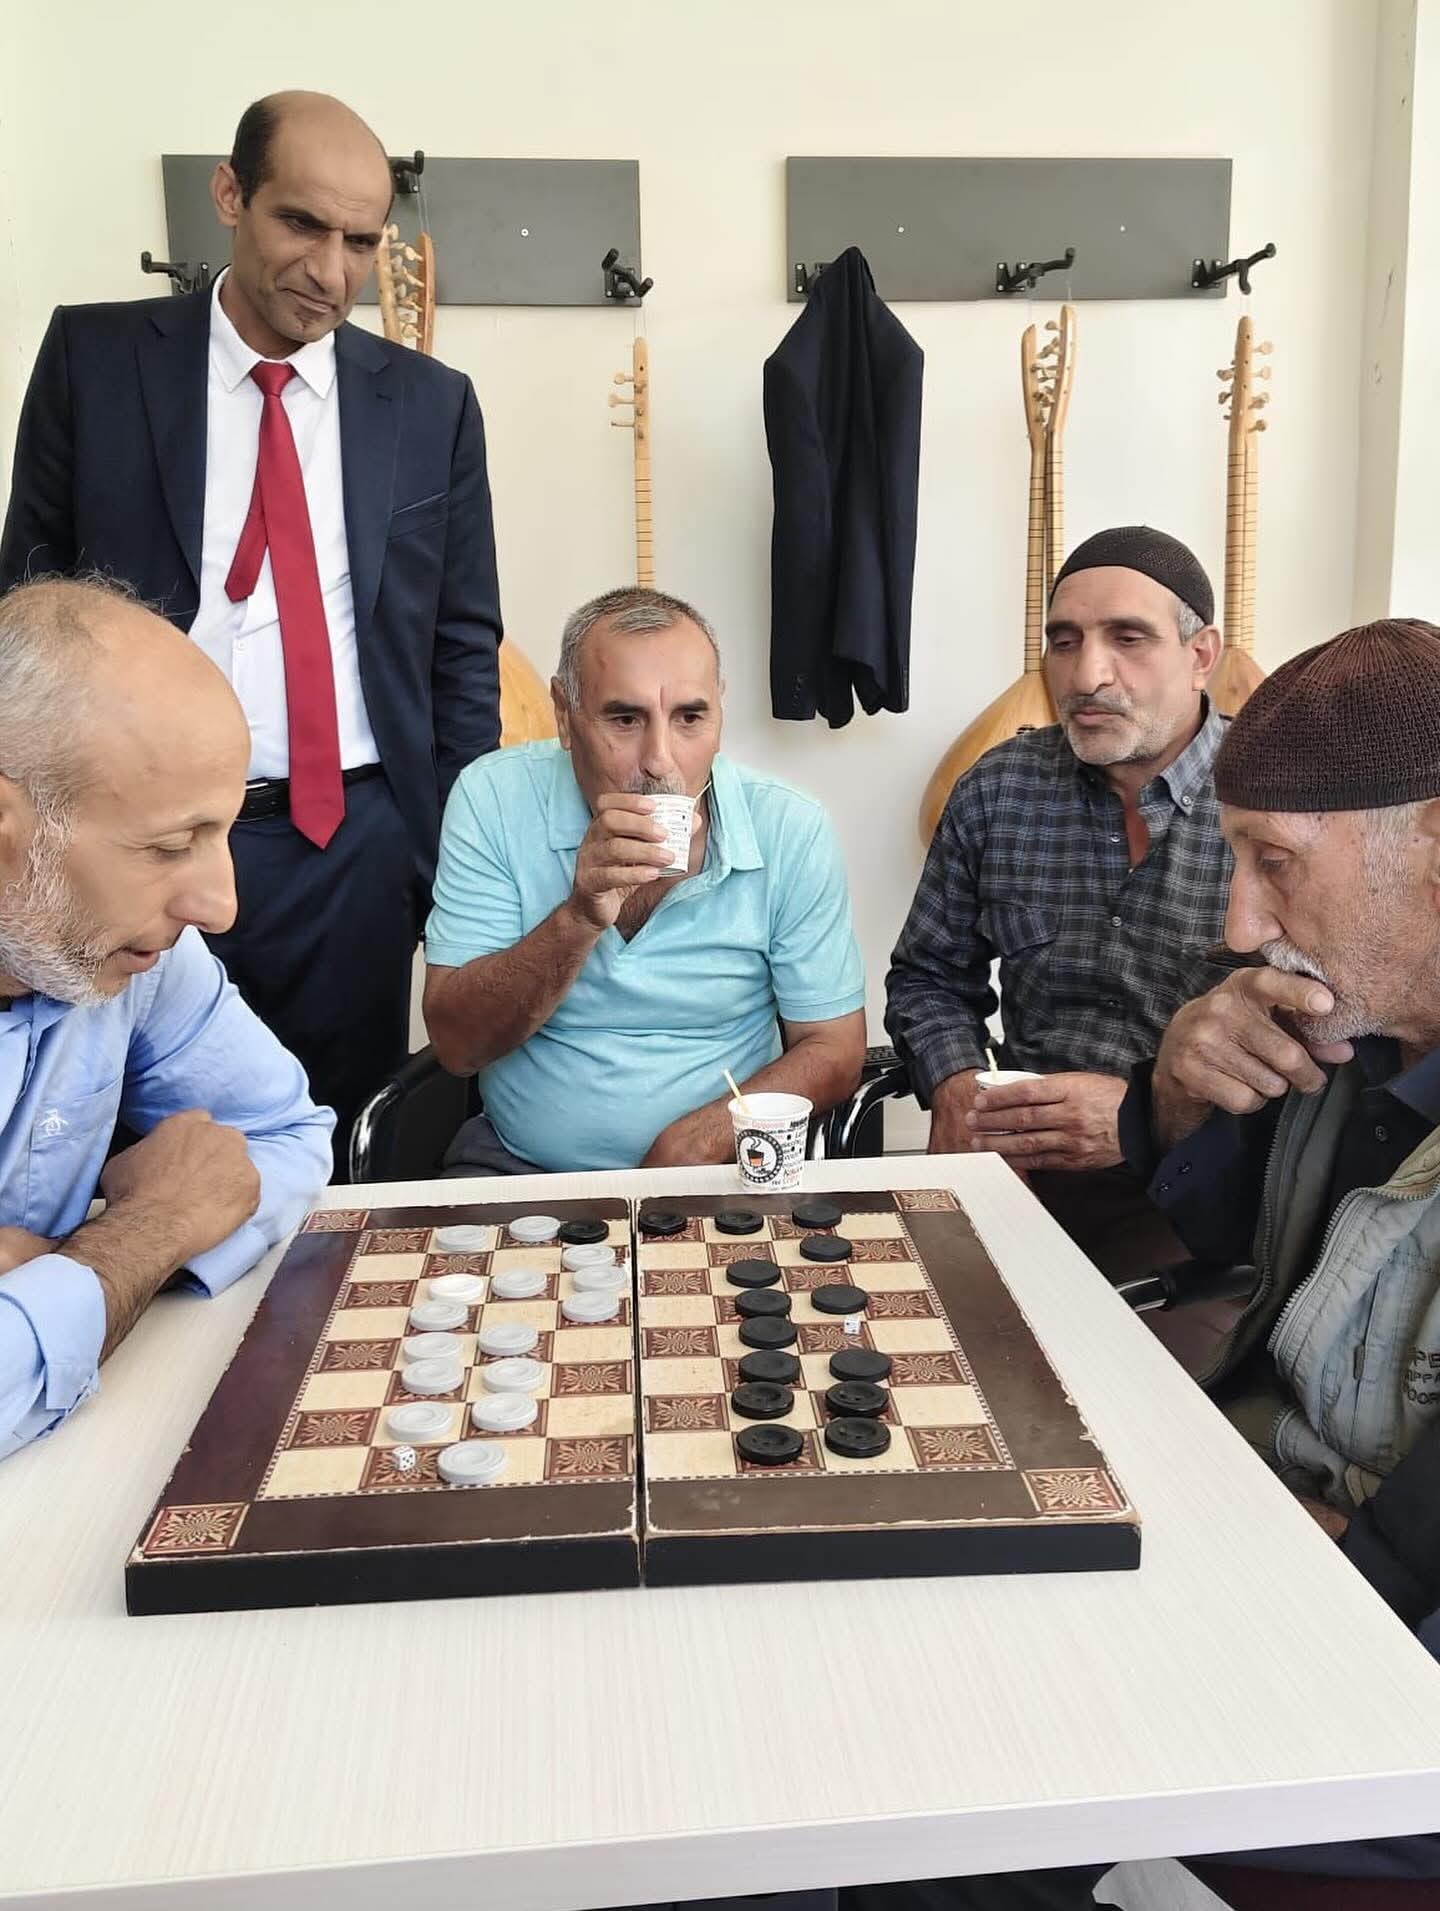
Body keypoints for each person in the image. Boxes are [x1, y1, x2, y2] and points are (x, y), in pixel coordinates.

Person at [842, 619, 1440, 1909]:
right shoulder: (1350, 1019)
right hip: (1266, 1521)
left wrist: (1266, 1566)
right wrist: (1175, 1096)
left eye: (1275, 864)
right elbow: (1234, 1252)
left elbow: (1387, 1596)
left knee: (935, 1765)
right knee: (892, 1590)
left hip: (1387, 1673)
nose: (1240, 921)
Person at [0, 90, 503, 1163]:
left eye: (360, 241)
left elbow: (462, 649)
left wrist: (448, 857)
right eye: (302, 225)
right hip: (133, 841)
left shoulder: (432, 405)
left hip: (353, 844)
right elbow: (29, 615)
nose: (331, 270)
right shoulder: (97, 360)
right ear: (230, 195)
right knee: (118, 1146)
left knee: (336, 1143)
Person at [0, 579, 333, 1459]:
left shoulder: (131, 949)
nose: (221, 906)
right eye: (169, 845)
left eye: (223, 831)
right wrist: (142, 1233)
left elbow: (287, 1135)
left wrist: (82, 1262)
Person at [886, 526, 1232, 1284]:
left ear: (1201, 654)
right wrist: (955, 1085)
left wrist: (1145, 1118)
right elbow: (927, 976)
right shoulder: (999, 788)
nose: (1086, 674)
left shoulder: (1270, 803)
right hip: (1017, 1167)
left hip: (1209, 1191)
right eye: (1065, 641)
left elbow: (1325, 1043)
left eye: (1128, 638)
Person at [423, 586, 867, 1173]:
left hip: (723, 1165)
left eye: (690, 718)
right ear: (564, 715)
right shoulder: (494, 799)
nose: (660, 760)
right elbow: (457, 1047)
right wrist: (578, 918)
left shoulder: (789, 826)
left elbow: (834, 1047)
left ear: (720, 712)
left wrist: (702, 1139)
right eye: (625, 719)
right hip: (520, 1164)